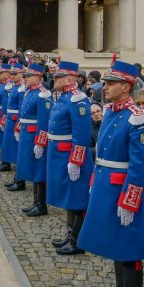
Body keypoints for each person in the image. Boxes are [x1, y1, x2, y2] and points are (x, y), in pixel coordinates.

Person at [77, 59, 144, 287]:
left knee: (128, 246)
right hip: (106, 184)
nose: (105, 87)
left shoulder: (138, 118)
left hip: (123, 190)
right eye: (106, 82)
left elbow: (141, 166)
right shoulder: (111, 111)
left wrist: (130, 199)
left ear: (126, 86)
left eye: (111, 83)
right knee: (115, 242)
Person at [45, 62, 93, 256]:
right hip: (60, 152)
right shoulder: (64, 97)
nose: (54, 79)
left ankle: (77, 240)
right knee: (69, 197)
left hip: (71, 155)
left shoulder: (77, 100)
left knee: (77, 199)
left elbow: (81, 134)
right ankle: (70, 234)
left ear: (70, 79)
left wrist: (76, 159)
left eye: (59, 77)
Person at [15, 63, 53, 212]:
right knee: (31, 168)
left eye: (29, 76)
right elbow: (23, 113)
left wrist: (40, 142)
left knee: (38, 170)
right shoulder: (30, 92)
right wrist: (18, 128)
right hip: (27, 134)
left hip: (34, 136)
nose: (27, 78)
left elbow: (44, 123)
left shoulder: (43, 94)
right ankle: (35, 202)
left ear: (38, 77)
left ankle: (40, 204)